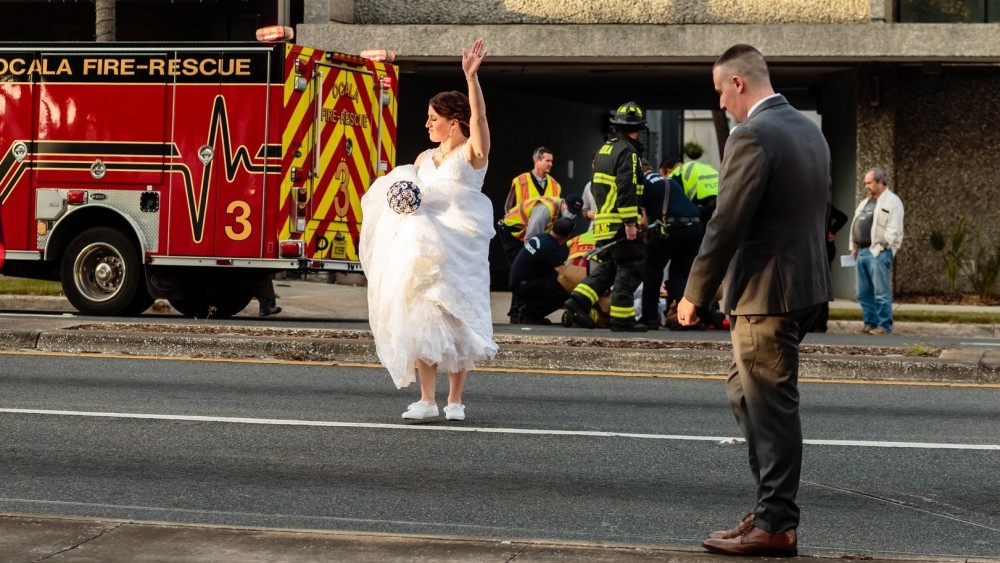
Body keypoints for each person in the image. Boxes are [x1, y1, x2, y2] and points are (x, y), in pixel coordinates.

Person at [676, 44, 832, 556]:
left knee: (770, 406)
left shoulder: (752, 135)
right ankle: (769, 510)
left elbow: (726, 222)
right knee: (747, 395)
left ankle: (776, 524)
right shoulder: (808, 129)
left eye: (720, 91)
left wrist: (694, 292)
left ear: (739, 83)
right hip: (803, 287)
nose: (720, 103)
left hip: (768, 294)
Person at [359, 39, 494, 423]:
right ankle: (426, 400)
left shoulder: (472, 151)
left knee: (457, 320)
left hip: (460, 249)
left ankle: (455, 401)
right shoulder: (422, 158)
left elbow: (480, 119)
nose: (427, 124)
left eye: (433, 119)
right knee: (421, 318)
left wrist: (472, 78)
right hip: (422, 248)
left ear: (454, 121)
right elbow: (412, 195)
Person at [563, 102, 647, 333]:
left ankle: (578, 300)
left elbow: (600, 189)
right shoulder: (628, 152)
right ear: (638, 128)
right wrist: (631, 222)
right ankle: (622, 319)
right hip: (621, 223)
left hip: (602, 223)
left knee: (608, 268)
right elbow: (627, 187)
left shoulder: (604, 150)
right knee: (630, 267)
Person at [638, 160, 705, 330]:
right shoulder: (669, 181)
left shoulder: (642, 183)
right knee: (680, 274)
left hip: (671, 227)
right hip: (695, 226)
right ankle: (688, 318)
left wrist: (644, 236)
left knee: (652, 270)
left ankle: (650, 318)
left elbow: (643, 220)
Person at [500, 193, 583, 324]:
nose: (571, 214)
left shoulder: (556, 217)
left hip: (536, 242)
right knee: (526, 272)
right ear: (564, 203)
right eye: (570, 210)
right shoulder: (545, 210)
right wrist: (535, 255)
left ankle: (523, 310)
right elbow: (530, 238)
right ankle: (518, 314)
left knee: (530, 271)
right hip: (513, 233)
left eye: (574, 213)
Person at [849, 167, 904, 335]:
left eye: (869, 183)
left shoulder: (892, 201)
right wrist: (854, 246)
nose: (866, 186)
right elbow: (856, 224)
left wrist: (884, 245)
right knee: (863, 292)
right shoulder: (866, 202)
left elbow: (894, 229)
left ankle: (884, 326)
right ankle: (870, 324)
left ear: (880, 182)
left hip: (878, 252)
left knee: (880, 291)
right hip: (861, 252)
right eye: (865, 183)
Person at [509, 217, 575, 325]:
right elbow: (565, 271)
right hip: (524, 285)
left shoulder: (541, 237)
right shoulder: (551, 248)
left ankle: (525, 310)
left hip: (519, 282)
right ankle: (530, 314)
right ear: (568, 236)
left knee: (553, 280)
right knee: (565, 288)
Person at [810, 204, 849, 332]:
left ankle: (820, 324)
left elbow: (843, 217)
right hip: (812, 249)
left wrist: (832, 230)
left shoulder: (824, 205)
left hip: (825, 250)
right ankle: (811, 323)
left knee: (822, 287)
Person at [661, 156, 719, 225]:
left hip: (705, 206)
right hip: (721, 201)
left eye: (662, 175)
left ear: (668, 171)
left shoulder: (677, 173)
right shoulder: (705, 166)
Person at [504, 147, 562, 212]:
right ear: (537, 161)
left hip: (547, 222)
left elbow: (558, 210)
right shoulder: (520, 181)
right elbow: (508, 208)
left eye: (551, 161)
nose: (550, 164)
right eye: (547, 161)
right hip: (524, 221)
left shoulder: (555, 185)